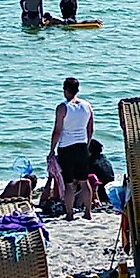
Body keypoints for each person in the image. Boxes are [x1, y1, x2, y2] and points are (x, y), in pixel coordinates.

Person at [53, 78, 99, 219]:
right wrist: (86, 144)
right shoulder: (87, 106)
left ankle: (70, 214)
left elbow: (57, 130)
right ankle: (88, 213)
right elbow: (90, 128)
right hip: (82, 147)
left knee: (69, 184)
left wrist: (51, 150)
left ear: (66, 90)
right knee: (84, 182)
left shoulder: (63, 107)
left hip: (66, 147)